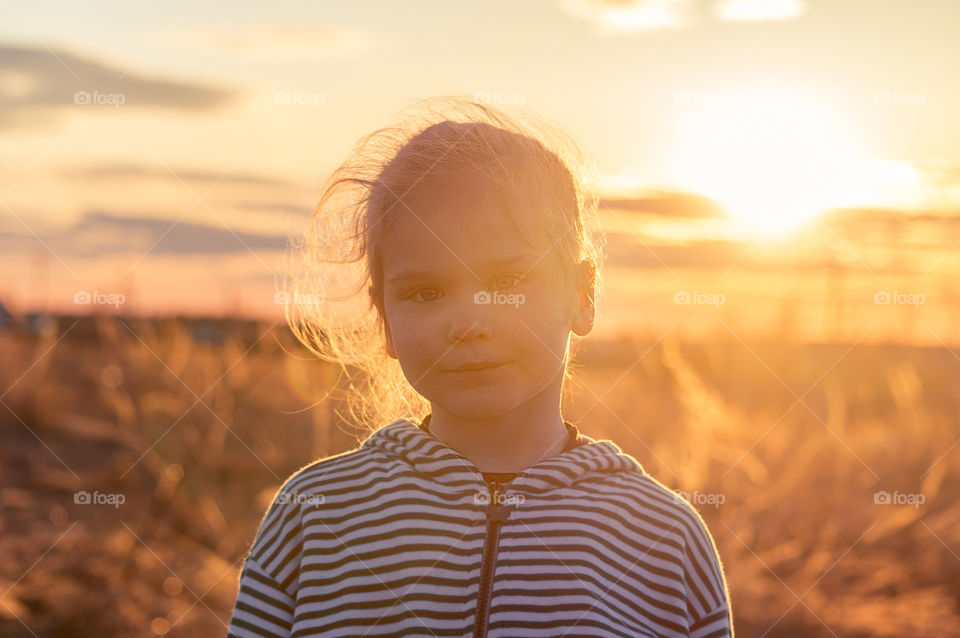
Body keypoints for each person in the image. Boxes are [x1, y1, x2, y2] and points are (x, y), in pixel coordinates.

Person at [227, 95, 733, 637]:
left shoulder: (662, 535)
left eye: (506, 283)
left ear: (582, 294)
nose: (467, 322)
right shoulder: (317, 513)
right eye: (426, 291)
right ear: (385, 320)